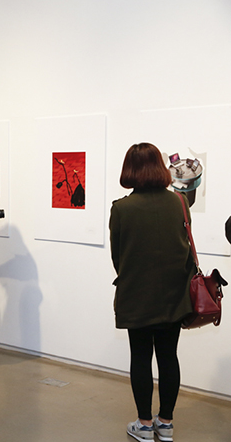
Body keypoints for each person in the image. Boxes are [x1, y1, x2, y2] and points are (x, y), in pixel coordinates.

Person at [110, 142, 196, 442]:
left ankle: (145, 425)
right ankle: (166, 423)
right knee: (169, 357)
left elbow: (117, 258)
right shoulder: (180, 203)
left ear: (129, 170)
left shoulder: (121, 208)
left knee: (141, 357)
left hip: (137, 294)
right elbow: (185, 248)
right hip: (175, 293)